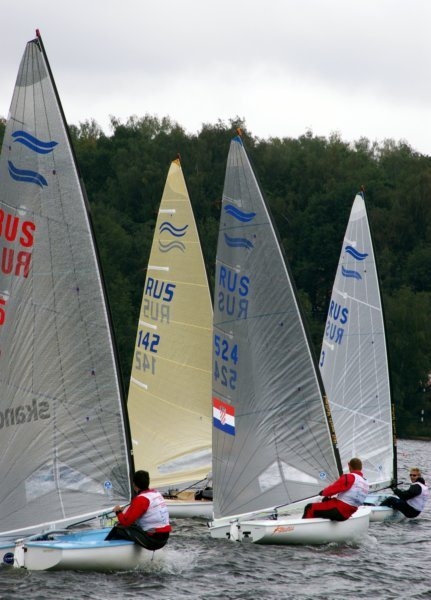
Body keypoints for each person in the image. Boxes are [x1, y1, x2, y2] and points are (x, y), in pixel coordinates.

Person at [105, 470, 172, 550]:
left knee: (118, 529)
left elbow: (125, 522)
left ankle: (105, 547)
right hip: (164, 538)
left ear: (134, 485)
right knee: (133, 525)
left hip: (153, 541)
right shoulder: (156, 493)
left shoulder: (141, 499)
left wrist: (118, 511)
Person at [302, 457, 369, 521]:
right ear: (361, 468)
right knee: (325, 500)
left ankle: (305, 527)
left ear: (349, 465)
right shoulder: (365, 482)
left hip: (339, 510)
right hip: (348, 513)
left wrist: (323, 492)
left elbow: (333, 488)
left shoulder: (350, 477)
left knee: (309, 508)